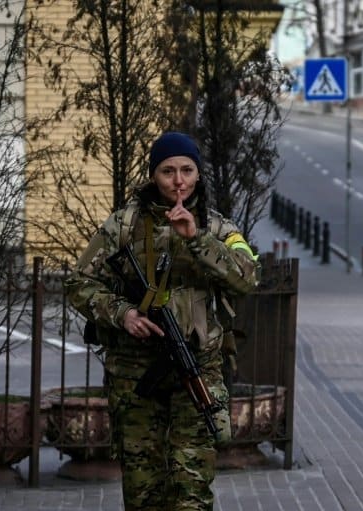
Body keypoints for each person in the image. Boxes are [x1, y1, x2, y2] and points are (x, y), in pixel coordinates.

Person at [64, 131, 259, 511]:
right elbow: (78, 282)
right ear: (154, 174)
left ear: (199, 175)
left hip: (197, 369)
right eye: (168, 171)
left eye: (187, 170)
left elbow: (248, 277)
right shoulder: (124, 224)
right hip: (137, 375)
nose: (178, 180)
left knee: (191, 493)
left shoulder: (219, 228)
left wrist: (197, 239)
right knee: (143, 492)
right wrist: (124, 314)